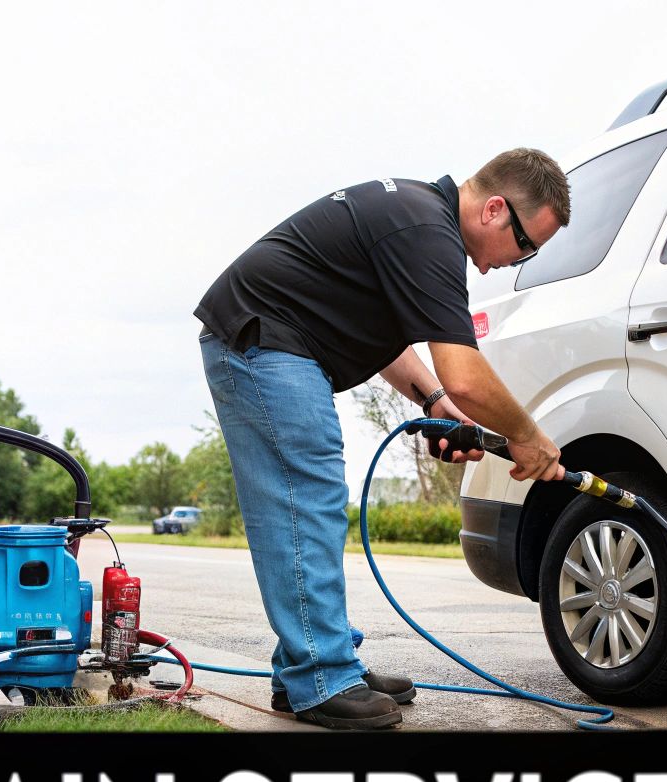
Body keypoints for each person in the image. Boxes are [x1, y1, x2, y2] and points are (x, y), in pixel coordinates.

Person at [194, 149, 571, 729]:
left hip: (270, 340)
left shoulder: (419, 218)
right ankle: (322, 675)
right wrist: (527, 437)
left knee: (313, 505)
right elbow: (466, 376)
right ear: (495, 209)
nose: (517, 261)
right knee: (306, 501)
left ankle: (309, 666)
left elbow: (393, 344)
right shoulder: (427, 231)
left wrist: (435, 405)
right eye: (525, 245)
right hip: (261, 341)